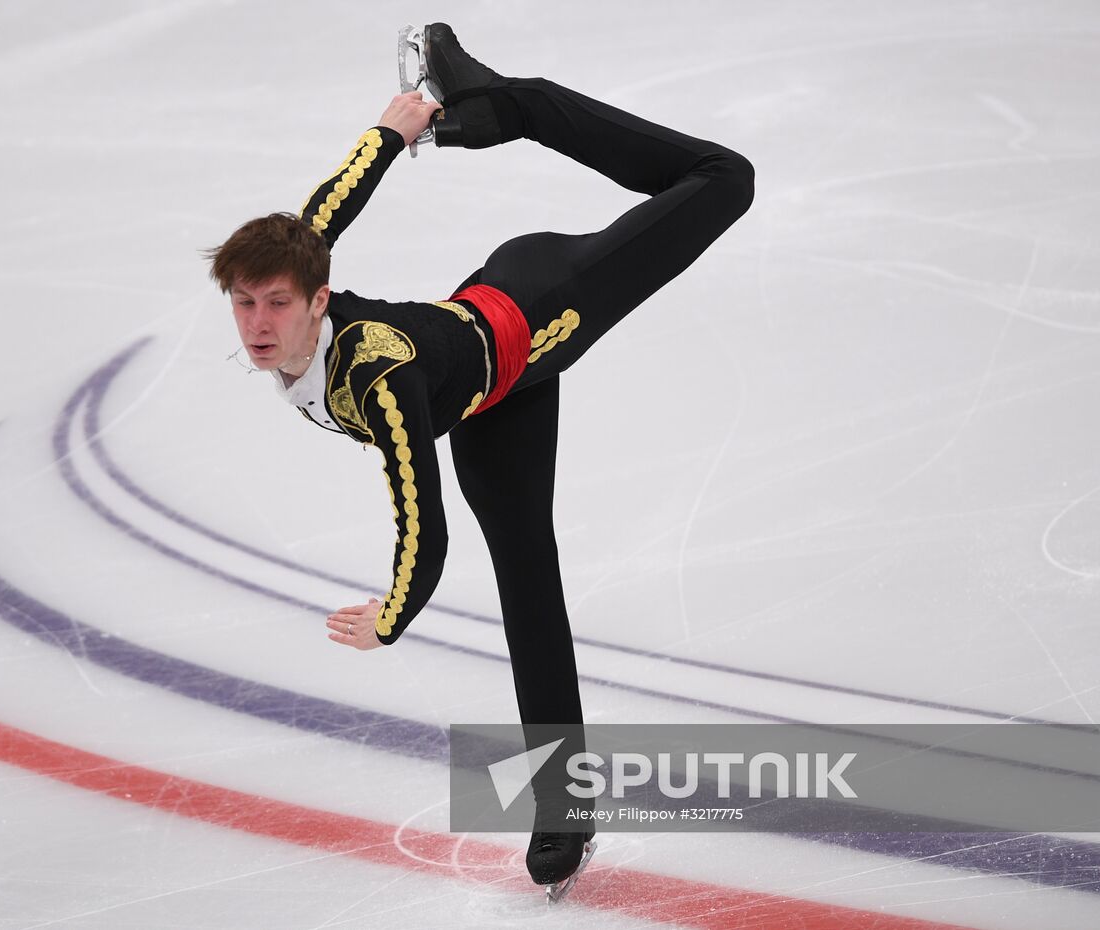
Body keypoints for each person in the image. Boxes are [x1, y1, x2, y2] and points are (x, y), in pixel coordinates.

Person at [207, 23, 754, 892]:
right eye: (243, 304)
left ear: (316, 300)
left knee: (726, 179)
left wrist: (391, 616)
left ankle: (517, 104)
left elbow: (423, 526)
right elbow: (331, 203)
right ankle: (564, 805)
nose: (260, 324)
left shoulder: (376, 378)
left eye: (277, 303)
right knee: (528, 576)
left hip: (543, 308)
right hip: (491, 394)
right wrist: (392, 132)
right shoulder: (295, 273)